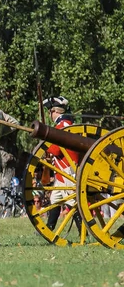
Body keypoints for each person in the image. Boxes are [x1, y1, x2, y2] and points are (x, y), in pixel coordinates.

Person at [43, 96, 82, 232]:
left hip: (67, 170)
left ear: (55, 111)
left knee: (72, 202)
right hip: (61, 172)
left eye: (50, 112)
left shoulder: (63, 125)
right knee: (55, 199)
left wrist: (45, 146)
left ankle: (83, 232)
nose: (49, 115)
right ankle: (49, 229)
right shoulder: (63, 124)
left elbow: (56, 149)